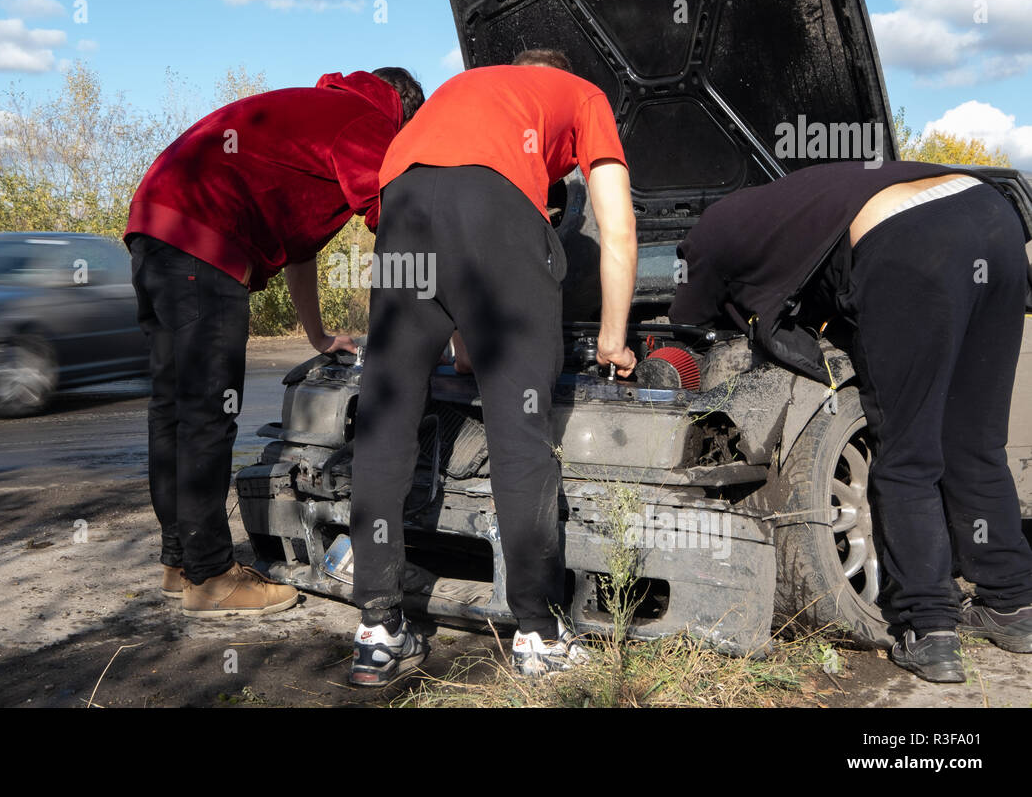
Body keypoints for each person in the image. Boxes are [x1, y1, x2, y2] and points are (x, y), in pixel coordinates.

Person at [670, 160, 1032, 682]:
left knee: (907, 453)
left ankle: (929, 630)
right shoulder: (798, 202)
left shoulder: (709, 233)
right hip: (992, 218)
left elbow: (687, 321)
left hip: (911, 241)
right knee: (974, 442)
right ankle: (1013, 603)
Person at [346, 49, 636, 685]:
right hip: (492, 201)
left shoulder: (466, 88)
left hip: (403, 198)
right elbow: (617, 228)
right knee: (519, 427)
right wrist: (614, 338)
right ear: (559, 69)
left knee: (385, 417)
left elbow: (445, 261)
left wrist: (465, 335)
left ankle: (376, 627)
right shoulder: (583, 92)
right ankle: (538, 632)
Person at [124, 67, 424, 618]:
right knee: (207, 415)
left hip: (154, 227)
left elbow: (299, 245)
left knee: (173, 408)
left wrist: (316, 333)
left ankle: (180, 561)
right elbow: (399, 217)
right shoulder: (370, 122)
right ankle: (212, 578)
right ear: (403, 112)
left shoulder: (315, 117)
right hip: (202, 239)